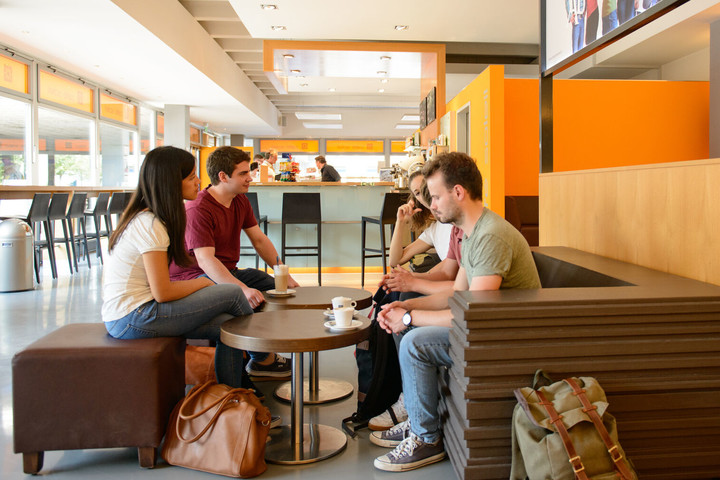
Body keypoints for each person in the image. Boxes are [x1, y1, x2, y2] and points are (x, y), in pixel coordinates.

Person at [370, 152, 541, 472]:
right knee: (407, 326)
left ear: (458, 193)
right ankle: (420, 418)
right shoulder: (466, 232)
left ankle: (426, 438)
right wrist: (405, 305)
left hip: (508, 338)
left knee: (414, 341)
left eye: (435, 197)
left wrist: (408, 318)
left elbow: (474, 314)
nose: (430, 205)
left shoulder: (490, 236)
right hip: (487, 326)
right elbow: (457, 295)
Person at [101, 146, 252, 389]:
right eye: (191, 176)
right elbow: (163, 292)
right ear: (172, 182)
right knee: (232, 292)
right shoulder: (150, 224)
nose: (198, 182)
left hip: (136, 313)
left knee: (228, 325)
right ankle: (261, 358)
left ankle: (233, 394)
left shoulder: (151, 218)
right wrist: (205, 283)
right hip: (134, 317)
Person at [169, 146, 299, 378]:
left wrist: (283, 274)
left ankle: (260, 357)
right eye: (243, 173)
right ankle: (257, 365)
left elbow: (259, 240)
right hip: (195, 278)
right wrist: (241, 289)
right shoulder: (199, 208)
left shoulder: (240, 201)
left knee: (265, 283)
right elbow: (206, 260)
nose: (250, 177)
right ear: (223, 176)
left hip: (224, 271)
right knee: (237, 305)